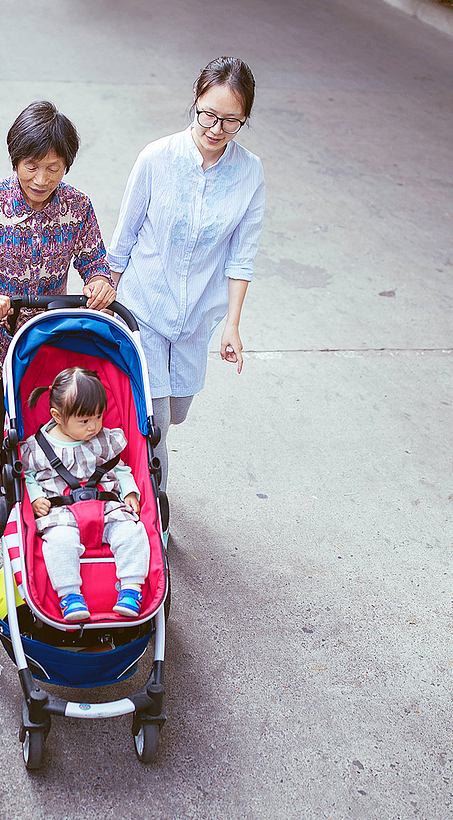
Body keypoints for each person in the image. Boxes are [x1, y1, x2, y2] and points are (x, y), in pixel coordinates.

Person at [0, 101, 116, 573]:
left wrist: (100, 283)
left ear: (67, 165)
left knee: (46, 438)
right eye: (31, 166)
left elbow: (96, 263)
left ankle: (44, 528)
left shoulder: (77, 208)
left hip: (46, 346)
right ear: (15, 161)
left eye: (53, 168)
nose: (41, 178)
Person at [108, 57, 265, 526]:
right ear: (194, 103)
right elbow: (125, 236)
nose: (216, 128)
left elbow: (242, 254)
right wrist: (104, 297)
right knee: (152, 421)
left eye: (231, 121)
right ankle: (149, 509)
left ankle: (134, 477)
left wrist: (232, 324)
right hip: (143, 307)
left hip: (199, 315)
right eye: (207, 115)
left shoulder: (250, 173)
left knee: (175, 413)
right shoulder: (156, 158)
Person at [20, 368, 150, 621]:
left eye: (98, 417)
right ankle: (70, 595)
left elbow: (119, 467)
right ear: (57, 416)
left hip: (107, 507)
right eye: (84, 421)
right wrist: (35, 497)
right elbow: (28, 475)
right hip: (60, 512)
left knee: (132, 534)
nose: (94, 426)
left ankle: (132, 590)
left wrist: (130, 491)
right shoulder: (38, 448)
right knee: (59, 543)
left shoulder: (106, 440)